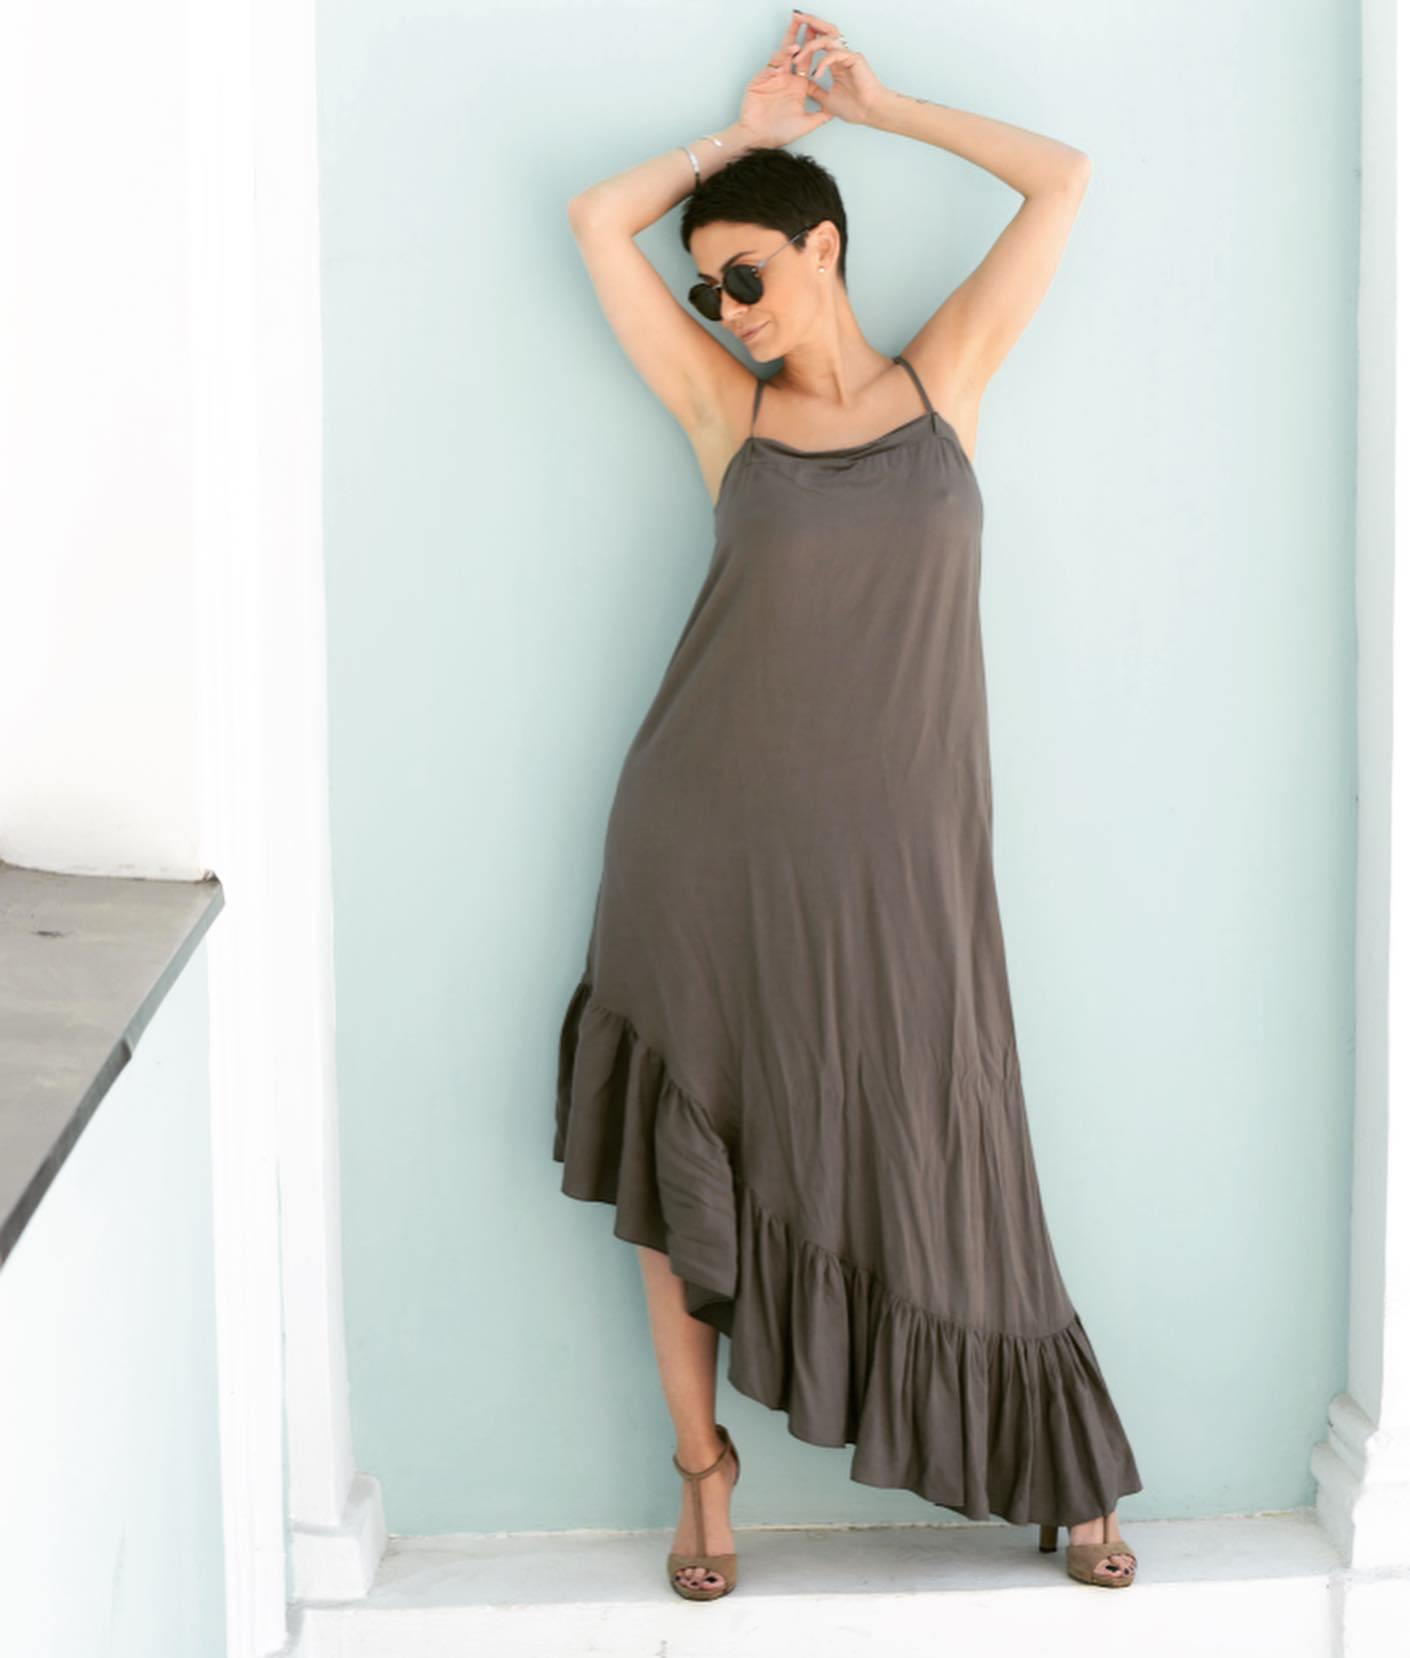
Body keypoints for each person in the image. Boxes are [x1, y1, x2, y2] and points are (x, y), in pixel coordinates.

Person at [554, 8, 1142, 1602]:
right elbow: (594, 220)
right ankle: (701, 1472)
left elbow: (1063, 180)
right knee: (686, 1146)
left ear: (821, 248)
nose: (728, 310)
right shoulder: (726, 415)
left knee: (955, 1126)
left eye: (745, 273)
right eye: (708, 289)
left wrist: (874, 111)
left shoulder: (943, 384)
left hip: (905, 859)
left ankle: (1056, 1460)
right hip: (705, 847)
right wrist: (728, 142)